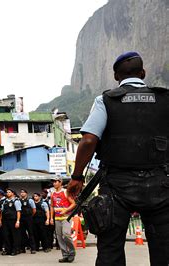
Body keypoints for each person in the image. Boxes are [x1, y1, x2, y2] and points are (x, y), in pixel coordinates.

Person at [67, 51, 169, 265]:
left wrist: (77, 177)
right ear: (143, 73)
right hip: (160, 184)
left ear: (116, 76)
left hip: (116, 185)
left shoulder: (105, 100)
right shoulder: (164, 99)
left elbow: (88, 141)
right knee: (164, 250)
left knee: (110, 251)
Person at [50, 176, 76, 263]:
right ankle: (65, 255)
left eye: (56, 181)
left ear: (60, 182)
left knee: (66, 234)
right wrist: (50, 218)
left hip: (66, 217)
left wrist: (66, 210)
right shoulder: (52, 193)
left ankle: (72, 253)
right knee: (59, 237)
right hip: (57, 218)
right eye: (53, 182)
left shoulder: (65, 192)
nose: (54, 183)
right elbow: (52, 206)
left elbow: (73, 204)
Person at [0, 189, 21, 256]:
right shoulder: (4, 201)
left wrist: (18, 221)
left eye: (9, 192)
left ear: (13, 193)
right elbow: (1, 211)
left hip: (13, 220)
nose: (8, 193)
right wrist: (0, 219)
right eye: (7, 192)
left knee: (14, 235)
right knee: (6, 235)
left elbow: (18, 211)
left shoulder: (16, 201)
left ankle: (15, 250)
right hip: (5, 221)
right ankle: (8, 250)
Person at [19, 189, 37, 254]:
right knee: (22, 234)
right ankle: (22, 248)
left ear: (26, 193)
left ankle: (33, 248)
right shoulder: (19, 200)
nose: (22, 193)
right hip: (22, 218)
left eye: (23, 192)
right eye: (21, 192)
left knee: (30, 233)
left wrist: (30, 216)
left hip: (29, 218)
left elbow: (34, 210)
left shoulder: (30, 200)